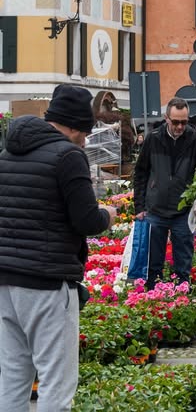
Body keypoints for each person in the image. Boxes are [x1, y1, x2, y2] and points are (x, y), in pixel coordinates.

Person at [0, 84, 117, 410]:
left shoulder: (7, 155)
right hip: (48, 282)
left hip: (6, 280)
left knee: (12, 376)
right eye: (86, 131)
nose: (86, 139)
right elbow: (86, 220)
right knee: (57, 380)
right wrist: (107, 214)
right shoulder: (68, 156)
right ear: (75, 125)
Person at [134, 97, 196, 289]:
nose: (180, 126)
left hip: (183, 212)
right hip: (155, 210)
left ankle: (181, 296)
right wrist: (140, 207)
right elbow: (141, 172)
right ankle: (153, 296)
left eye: (184, 122)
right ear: (167, 118)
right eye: (175, 122)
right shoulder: (153, 138)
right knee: (154, 261)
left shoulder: (195, 140)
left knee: (183, 262)